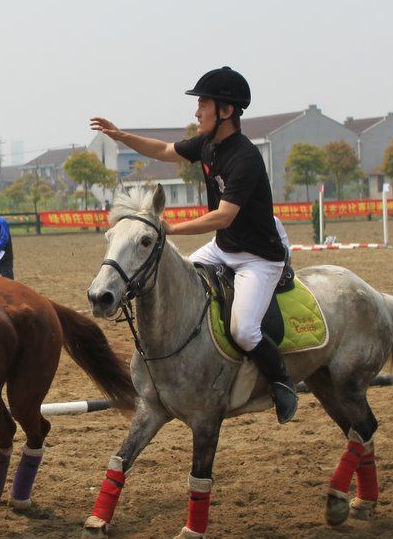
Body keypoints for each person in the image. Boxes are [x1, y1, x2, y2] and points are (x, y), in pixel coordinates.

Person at [90, 66, 297, 423]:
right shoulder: (207, 145)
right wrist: (121, 135)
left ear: (226, 111)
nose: (197, 111)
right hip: (224, 247)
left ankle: (281, 381)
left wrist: (170, 228)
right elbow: (164, 150)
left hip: (257, 258)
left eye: (203, 104)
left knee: (244, 329)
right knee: (179, 279)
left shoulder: (245, 157)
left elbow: (223, 216)